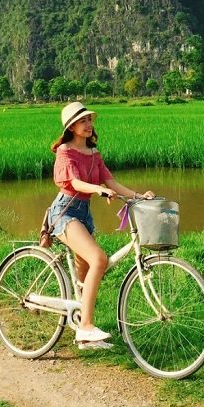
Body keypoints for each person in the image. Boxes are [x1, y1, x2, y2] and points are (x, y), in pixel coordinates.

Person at [48, 101, 155, 349]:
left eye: (90, 120)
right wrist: (98, 189)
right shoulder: (65, 151)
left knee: (85, 276)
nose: (88, 124)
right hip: (65, 212)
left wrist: (137, 196)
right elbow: (74, 183)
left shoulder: (94, 154)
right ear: (71, 126)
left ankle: (83, 333)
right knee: (99, 259)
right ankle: (85, 327)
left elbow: (111, 181)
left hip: (84, 214)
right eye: (83, 120)